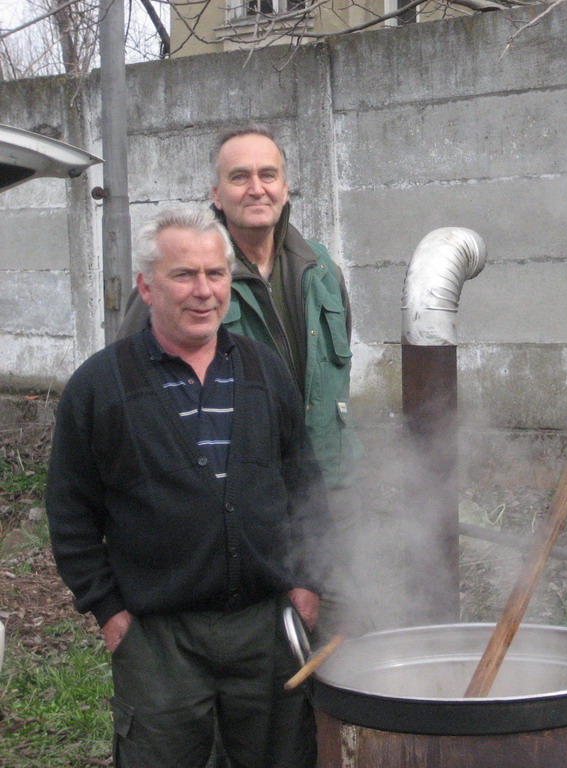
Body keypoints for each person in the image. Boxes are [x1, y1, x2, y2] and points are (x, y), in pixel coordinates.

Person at [46, 207, 327, 768]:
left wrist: (308, 578)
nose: (204, 291)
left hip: (262, 627)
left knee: (282, 757)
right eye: (184, 275)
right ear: (147, 287)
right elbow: (70, 510)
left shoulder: (264, 371)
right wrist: (108, 610)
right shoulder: (101, 386)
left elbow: (304, 484)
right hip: (157, 636)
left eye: (216, 274)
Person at [120, 126, 360, 492]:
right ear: (216, 195)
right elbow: (128, 385)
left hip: (330, 489)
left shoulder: (322, 270)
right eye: (239, 177)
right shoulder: (181, 277)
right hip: (233, 498)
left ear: (285, 187)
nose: (256, 188)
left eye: (268, 175)